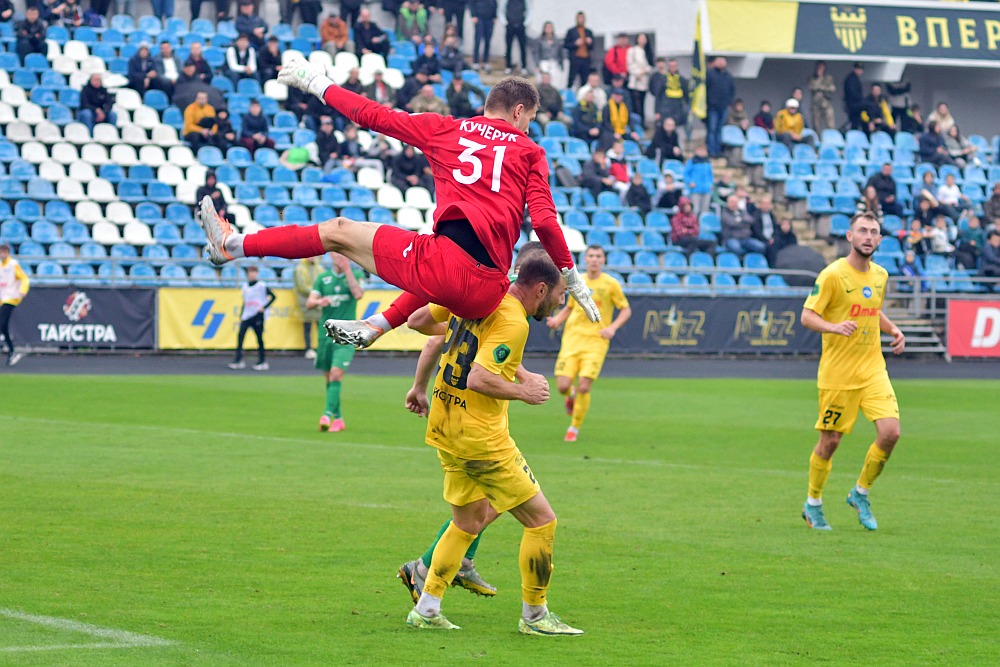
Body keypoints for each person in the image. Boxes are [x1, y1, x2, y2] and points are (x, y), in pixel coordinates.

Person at [197, 70, 598, 348]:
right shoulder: (530, 150)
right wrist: (572, 276)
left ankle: (233, 245)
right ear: (518, 111)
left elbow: (373, 116)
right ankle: (376, 325)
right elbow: (544, 220)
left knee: (339, 231)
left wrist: (316, 82)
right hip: (488, 289)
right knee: (431, 258)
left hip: (446, 269)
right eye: (529, 119)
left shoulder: (446, 128)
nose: (528, 128)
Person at [400, 254, 583, 635]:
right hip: (480, 438)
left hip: (444, 424)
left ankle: (427, 608)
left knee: (466, 522)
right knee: (542, 521)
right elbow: (479, 379)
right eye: (562, 295)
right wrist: (524, 390)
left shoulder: (479, 294)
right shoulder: (514, 320)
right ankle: (535, 616)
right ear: (541, 289)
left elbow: (417, 320)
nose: (561, 303)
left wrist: (458, 329)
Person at [800, 211, 905, 532]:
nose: (868, 236)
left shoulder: (881, 276)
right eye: (862, 230)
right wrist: (832, 326)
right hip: (838, 374)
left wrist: (892, 329)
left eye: (874, 232)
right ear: (850, 236)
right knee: (830, 442)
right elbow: (807, 316)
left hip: (873, 368)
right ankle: (813, 503)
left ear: (880, 239)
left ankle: (860, 493)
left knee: (891, 432)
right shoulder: (832, 275)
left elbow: (871, 311)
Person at [547, 245, 631, 443]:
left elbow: (626, 310)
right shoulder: (577, 280)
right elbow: (569, 307)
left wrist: (612, 328)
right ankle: (571, 394)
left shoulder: (611, 284)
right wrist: (557, 320)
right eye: (591, 256)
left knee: (585, 386)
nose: (594, 259)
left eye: (598, 256)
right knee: (562, 386)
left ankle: (574, 427)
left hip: (596, 341)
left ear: (603, 260)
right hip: (573, 338)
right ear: (585, 259)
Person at [305, 253, 365, 432]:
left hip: (347, 334)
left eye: (344, 254)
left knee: (336, 375)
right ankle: (338, 419)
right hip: (326, 335)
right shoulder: (323, 278)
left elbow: (358, 294)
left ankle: (326, 414)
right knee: (329, 378)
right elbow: (309, 302)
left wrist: (347, 270)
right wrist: (319, 301)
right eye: (337, 254)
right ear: (331, 256)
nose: (341, 257)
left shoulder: (356, 276)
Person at [228, 265, 276, 372]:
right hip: (247, 314)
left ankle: (262, 361)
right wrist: (241, 315)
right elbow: (245, 302)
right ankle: (238, 360)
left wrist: (264, 307)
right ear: (248, 274)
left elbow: (273, 297)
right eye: (250, 272)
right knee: (240, 336)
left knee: (259, 338)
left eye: (254, 272)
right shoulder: (245, 286)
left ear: (257, 274)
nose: (252, 274)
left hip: (257, 315)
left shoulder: (261, 286)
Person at [0, 243, 29, 366]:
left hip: (12, 297)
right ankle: (11, 350)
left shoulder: (13, 264)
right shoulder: (1, 266)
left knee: (2, 322)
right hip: (3, 298)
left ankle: (10, 348)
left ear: (8, 253)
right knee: (3, 325)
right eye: (1, 252)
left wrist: (23, 290)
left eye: (4, 252)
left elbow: (24, 278)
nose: (2, 255)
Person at [705, 56, 735, 157]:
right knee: (712, 129)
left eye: (723, 61)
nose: (722, 63)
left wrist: (729, 102)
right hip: (712, 107)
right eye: (719, 61)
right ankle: (711, 150)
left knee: (719, 129)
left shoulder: (728, 76)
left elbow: (732, 90)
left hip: (723, 107)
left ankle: (718, 151)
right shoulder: (710, 74)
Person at [649, 58, 689, 132]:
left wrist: (688, 109)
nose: (673, 68)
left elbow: (687, 96)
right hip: (665, 109)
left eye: (674, 66)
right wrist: (657, 111)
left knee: (679, 131)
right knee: (665, 129)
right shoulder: (663, 79)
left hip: (678, 109)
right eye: (671, 66)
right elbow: (658, 96)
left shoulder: (682, 80)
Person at [295, 257, 324, 359]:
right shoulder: (300, 268)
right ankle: (308, 348)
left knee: (320, 326)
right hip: (305, 301)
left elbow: (323, 282)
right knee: (307, 326)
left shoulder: (319, 268)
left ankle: (321, 348)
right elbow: (302, 286)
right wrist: (316, 293)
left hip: (318, 301)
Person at [625, 34, 652, 125]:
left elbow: (650, 66)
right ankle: (636, 124)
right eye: (641, 38)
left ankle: (642, 123)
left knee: (643, 104)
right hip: (635, 81)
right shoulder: (632, 50)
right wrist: (638, 73)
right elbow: (630, 65)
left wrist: (644, 71)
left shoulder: (647, 51)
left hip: (644, 82)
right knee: (636, 105)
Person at [563, 11, 593, 89]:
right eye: (579, 18)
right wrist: (575, 44)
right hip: (575, 59)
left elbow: (592, 46)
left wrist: (589, 42)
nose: (580, 20)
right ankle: (568, 96)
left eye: (582, 18)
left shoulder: (588, 32)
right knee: (571, 79)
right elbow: (566, 45)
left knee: (585, 80)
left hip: (585, 59)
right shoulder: (571, 31)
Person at [683, 144, 714, 220]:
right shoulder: (692, 162)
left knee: (705, 210)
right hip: (696, 189)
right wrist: (690, 182)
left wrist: (711, 184)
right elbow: (686, 174)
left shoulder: (708, 162)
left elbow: (710, 175)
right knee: (695, 209)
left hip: (706, 189)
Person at [808, 61, 836, 133]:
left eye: (822, 67)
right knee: (816, 125)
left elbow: (832, 88)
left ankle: (831, 139)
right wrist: (819, 79)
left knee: (830, 124)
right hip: (816, 104)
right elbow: (812, 87)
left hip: (826, 103)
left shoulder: (828, 78)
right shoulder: (813, 78)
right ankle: (818, 141)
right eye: (819, 67)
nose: (820, 69)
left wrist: (821, 88)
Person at [533, 20, 563, 87]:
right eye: (547, 27)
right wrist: (537, 65)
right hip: (544, 62)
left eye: (550, 27)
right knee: (543, 81)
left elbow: (560, 53)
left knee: (555, 82)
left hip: (554, 62)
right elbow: (536, 53)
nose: (549, 29)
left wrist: (561, 65)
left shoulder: (557, 40)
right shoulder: (539, 40)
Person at [469, 0, 497, 71]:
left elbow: (494, 3)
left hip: (490, 19)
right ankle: (476, 62)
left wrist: (495, 16)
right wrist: (473, 15)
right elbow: (471, 2)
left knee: (488, 41)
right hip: (479, 18)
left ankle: (485, 62)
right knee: (478, 41)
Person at [503, 0, 527, 74]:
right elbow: (501, 10)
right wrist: (505, 22)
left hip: (521, 25)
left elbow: (529, 10)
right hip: (510, 25)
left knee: (522, 47)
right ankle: (508, 66)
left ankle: (524, 67)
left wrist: (525, 23)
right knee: (508, 47)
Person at [843, 62, 864, 131]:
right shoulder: (851, 79)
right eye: (858, 69)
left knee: (855, 123)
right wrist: (861, 101)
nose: (859, 71)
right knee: (853, 123)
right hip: (853, 105)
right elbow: (852, 94)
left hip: (856, 105)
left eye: (861, 69)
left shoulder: (856, 79)